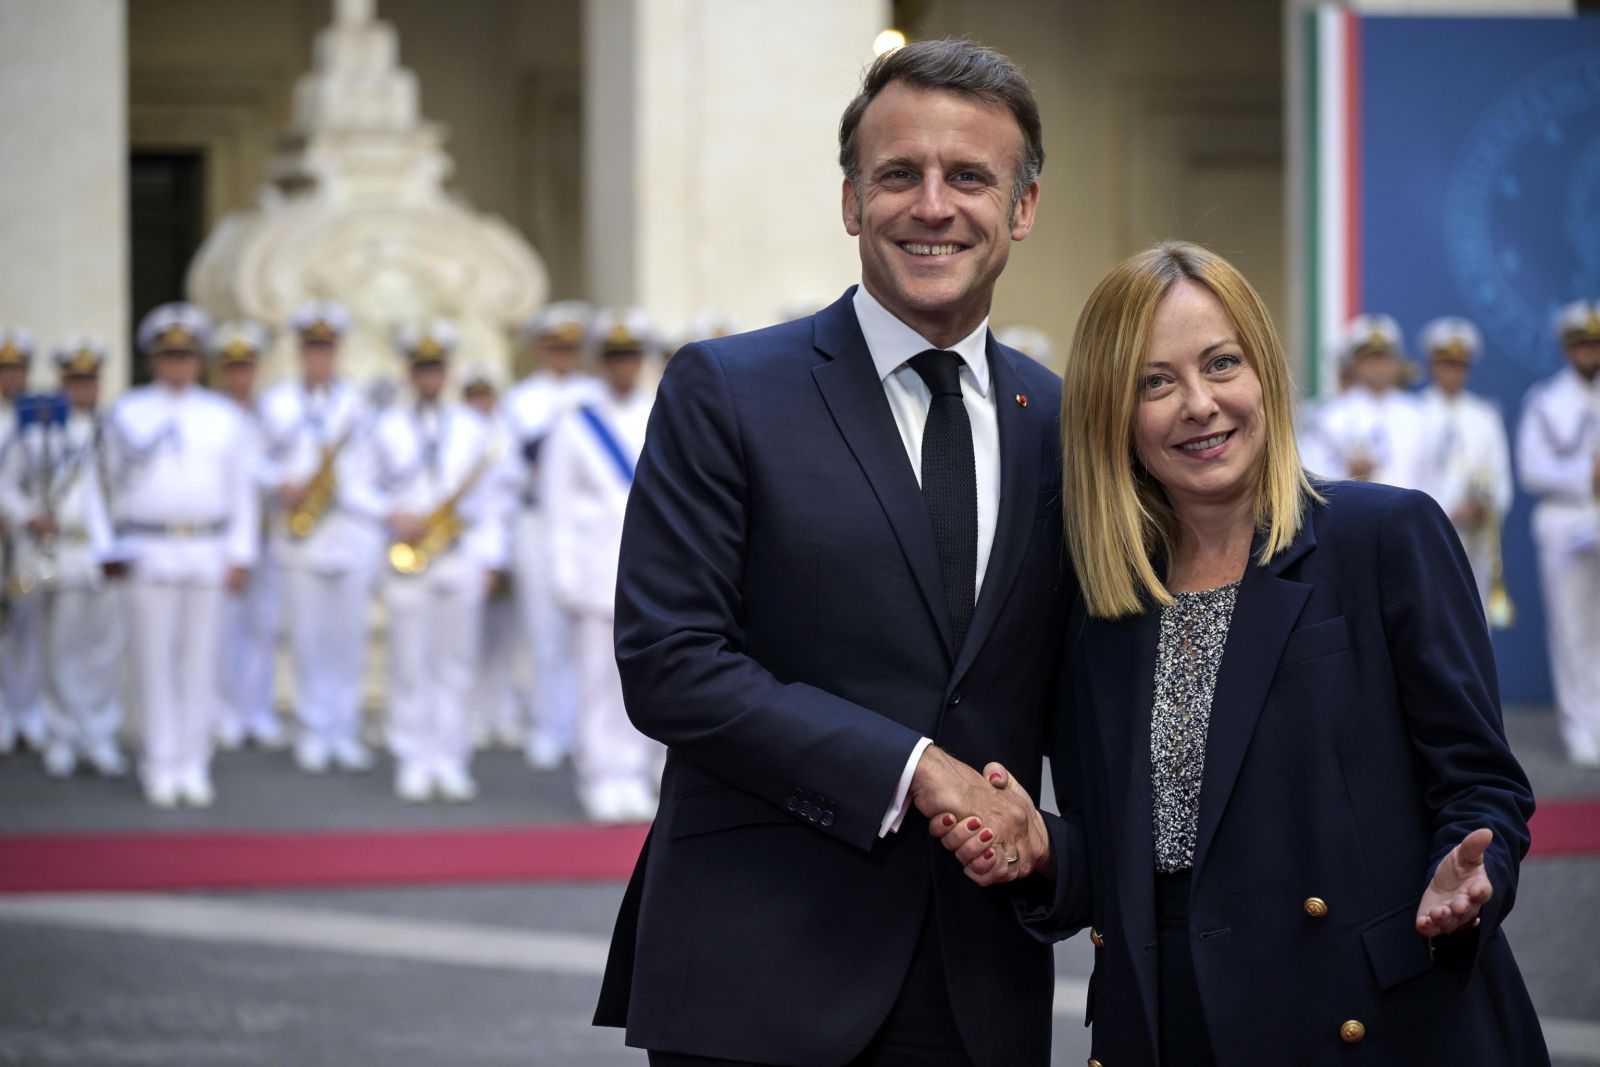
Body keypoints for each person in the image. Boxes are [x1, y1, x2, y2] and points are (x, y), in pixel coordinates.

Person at [933, 242, 1547, 1066]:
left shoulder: (1383, 536)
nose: (1200, 404)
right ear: (1114, 414)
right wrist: (1042, 850)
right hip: (1172, 1022)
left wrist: (1470, 873)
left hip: (1368, 1020)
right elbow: (1126, 854)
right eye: (1155, 382)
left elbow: (1480, 783)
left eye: (1222, 363)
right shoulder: (1098, 602)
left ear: (1264, 374)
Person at [596, 39, 1068, 1067]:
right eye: (898, 175)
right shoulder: (728, 390)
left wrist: (1057, 851)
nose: (932, 206)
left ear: (1023, 206)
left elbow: (1094, 690)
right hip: (759, 970)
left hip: (980, 980)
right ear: (852, 201)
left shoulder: (1065, 422)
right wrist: (914, 770)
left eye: (969, 177)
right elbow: (670, 662)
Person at [94, 303, 259, 808]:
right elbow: (98, 485)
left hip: (207, 547)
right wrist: (106, 546)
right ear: (153, 360)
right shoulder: (127, 412)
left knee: (200, 663)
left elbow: (242, 488)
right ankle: (159, 762)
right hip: (147, 547)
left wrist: (241, 553)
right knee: (152, 663)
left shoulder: (223, 416)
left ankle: (193, 763)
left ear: (200, 360)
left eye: (186, 356)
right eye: (169, 356)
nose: (178, 365)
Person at [354, 320, 506, 802]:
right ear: (409, 373)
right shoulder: (386, 426)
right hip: (408, 556)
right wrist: (389, 513)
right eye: (422, 369)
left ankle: (450, 758)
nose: (429, 377)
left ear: (447, 372)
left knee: (456, 663)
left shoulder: (473, 427)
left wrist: (489, 559)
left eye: (436, 368)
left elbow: (493, 500)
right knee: (409, 662)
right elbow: (355, 485)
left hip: (458, 555)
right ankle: (412, 757)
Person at [542, 307, 662, 823]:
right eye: (614, 357)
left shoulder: (662, 413)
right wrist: (564, 575)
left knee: (650, 678)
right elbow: (557, 507)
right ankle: (599, 773)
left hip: (655, 573)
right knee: (596, 678)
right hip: (596, 572)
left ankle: (635, 772)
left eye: (630, 356)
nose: (623, 366)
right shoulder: (574, 425)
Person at [260, 300, 381, 774]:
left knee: (348, 639)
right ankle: (313, 727)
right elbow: (253, 460)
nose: (319, 357)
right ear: (299, 352)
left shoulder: (359, 404)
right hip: (300, 534)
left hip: (349, 530)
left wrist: (345, 491)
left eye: (326, 348)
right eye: (312, 348)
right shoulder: (277, 403)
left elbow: (374, 470)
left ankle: (343, 727)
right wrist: (280, 482)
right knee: (308, 638)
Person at [503, 301, 602, 770]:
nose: (563, 356)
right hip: (537, 518)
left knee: (594, 636)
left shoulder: (594, 395)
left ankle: (586, 729)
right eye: (555, 347)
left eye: (571, 348)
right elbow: (504, 466)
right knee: (543, 632)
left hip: (589, 526)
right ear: (541, 349)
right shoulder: (520, 400)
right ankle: (548, 726)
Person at [30, 338, 126, 778]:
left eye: (89, 380)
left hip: (106, 552)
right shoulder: (42, 430)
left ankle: (100, 733)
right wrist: (26, 514)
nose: (82, 388)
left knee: (104, 648)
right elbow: (10, 480)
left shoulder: (116, 429)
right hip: (64, 547)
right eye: (75, 380)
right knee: (62, 647)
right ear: (62, 382)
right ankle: (62, 733)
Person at [1517, 299, 1600, 768]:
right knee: (1572, 627)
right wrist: (1586, 475)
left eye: (1596, 344)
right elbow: (1532, 469)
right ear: (1568, 348)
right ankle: (1580, 728)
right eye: (1583, 344)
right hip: (1566, 521)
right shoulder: (1547, 400)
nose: (1591, 353)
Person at [211, 320, 288, 750]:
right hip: (224, 535)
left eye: (246, 366)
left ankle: (256, 709)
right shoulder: (212, 414)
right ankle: (224, 710)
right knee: (225, 627)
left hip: (267, 530)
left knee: (263, 625)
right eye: (232, 367)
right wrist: (272, 476)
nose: (240, 375)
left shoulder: (271, 413)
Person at [1415, 317, 1514, 615]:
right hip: (1428, 534)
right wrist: (1446, 511)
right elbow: (1409, 477)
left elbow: (1500, 479)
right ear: (1432, 364)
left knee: (1475, 617)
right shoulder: (1413, 413)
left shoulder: (1485, 417)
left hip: (1475, 538)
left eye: (1460, 364)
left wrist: (1485, 507)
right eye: (1446, 363)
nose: (1453, 371)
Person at [458, 361, 527, 751]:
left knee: (505, 637)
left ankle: (502, 709)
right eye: (474, 396)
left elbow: (516, 480)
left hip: (508, 541)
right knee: (468, 638)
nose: (480, 403)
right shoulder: (458, 432)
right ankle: (472, 713)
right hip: (472, 545)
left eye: (485, 395)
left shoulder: (505, 432)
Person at [1306, 314, 1431, 488]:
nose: (1378, 367)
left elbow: (1430, 481)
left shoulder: (1418, 415)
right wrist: (1348, 475)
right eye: (1370, 359)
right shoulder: (1331, 417)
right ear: (1355, 364)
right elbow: (1315, 478)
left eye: (1384, 358)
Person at [0, 326, 50, 756]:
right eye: (4, 369)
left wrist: (23, 514)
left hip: (24, 542)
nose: (11, 377)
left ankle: (29, 710)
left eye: (17, 368)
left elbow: (44, 481)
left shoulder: (39, 420)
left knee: (28, 626)